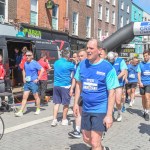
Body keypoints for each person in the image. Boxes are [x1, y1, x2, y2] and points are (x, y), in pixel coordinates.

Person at [73, 39, 119, 150]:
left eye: (91, 48)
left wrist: (109, 115)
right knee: (86, 139)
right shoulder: (82, 64)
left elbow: (111, 92)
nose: (88, 50)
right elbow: (79, 85)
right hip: (86, 108)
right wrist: (75, 104)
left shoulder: (107, 68)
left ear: (99, 50)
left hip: (100, 109)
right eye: (87, 48)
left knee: (94, 142)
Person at [15, 51, 44, 117]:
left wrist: (38, 78)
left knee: (36, 97)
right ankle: (21, 111)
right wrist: (23, 78)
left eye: (29, 55)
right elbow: (23, 70)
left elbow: (42, 70)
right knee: (24, 97)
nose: (27, 56)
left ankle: (38, 109)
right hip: (27, 83)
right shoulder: (25, 63)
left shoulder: (35, 63)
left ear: (32, 56)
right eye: (26, 55)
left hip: (33, 82)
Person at [51, 50, 75, 127]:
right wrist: (75, 61)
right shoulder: (70, 64)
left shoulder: (56, 63)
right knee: (66, 104)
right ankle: (64, 120)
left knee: (56, 103)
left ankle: (54, 120)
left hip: (56, 85)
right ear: (68, 56)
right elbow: (76, 70)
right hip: (65, 86)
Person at [68, 49, 87, 138]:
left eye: (81, 56)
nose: (79, 58)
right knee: (78, 111)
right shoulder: (78, 66)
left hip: (91, 95)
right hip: (80, 93)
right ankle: (77, 130)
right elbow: (75, 78)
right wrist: (72, 88)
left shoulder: (91, 65)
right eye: (79, 56)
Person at [107, 51, 128, 122]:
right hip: (110, 84)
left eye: (112, 59)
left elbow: (123, 72)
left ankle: (119, 113)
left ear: (115, 57)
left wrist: (115, 78)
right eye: (110, 60)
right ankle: (110, 112)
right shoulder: (107, 62)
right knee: (110, 99)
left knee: (118, 101)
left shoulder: (120, 61)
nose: (111, 61)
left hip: (119, 83)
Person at [138, 50, 150, 121]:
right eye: (144, 56)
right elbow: (139, 74)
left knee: (147, 97)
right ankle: (145, 110)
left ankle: (147, 113)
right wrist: (140, 82)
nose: (145, 57)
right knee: (143, 98)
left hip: (149, 83)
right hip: (142, 83)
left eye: (146, 56)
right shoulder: (141, 64)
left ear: (149, 55)